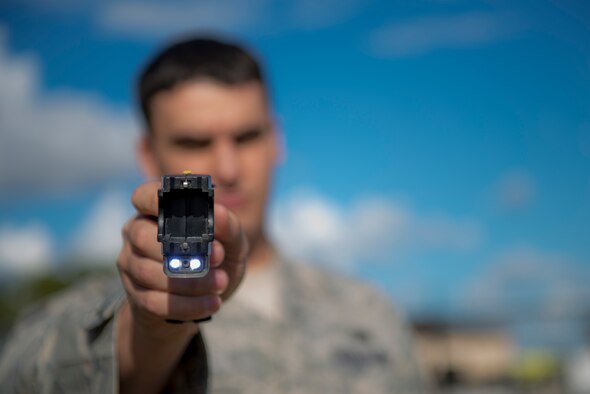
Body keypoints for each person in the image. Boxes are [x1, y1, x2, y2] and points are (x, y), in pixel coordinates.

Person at [0, 36, 425, 393]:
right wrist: (152, 331)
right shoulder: (88, 311)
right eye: (194, 142)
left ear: (276, 138)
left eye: (247, 136)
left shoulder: (369, 313)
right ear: (148, 155)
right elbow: (24, 375)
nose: (228, 168)